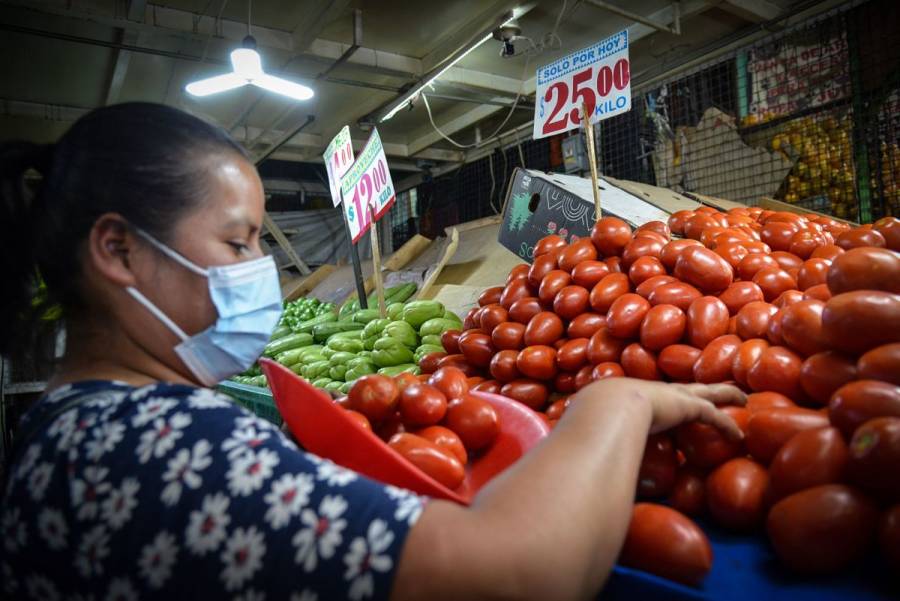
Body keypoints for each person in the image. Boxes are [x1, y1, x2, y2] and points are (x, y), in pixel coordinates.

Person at [0, 103, 743, 601]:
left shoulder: (64, 423)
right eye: (238, 241)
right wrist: (616, 402)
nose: (260, 267)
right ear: (118, 250)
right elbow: (520, 571)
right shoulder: (158, 449)